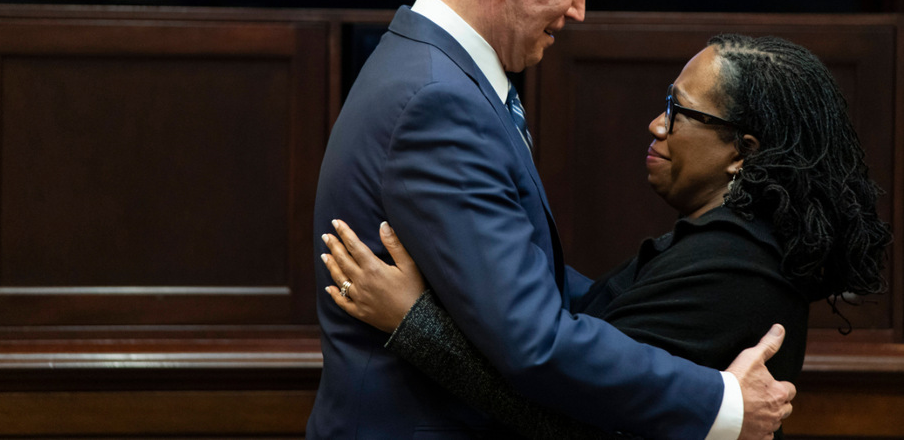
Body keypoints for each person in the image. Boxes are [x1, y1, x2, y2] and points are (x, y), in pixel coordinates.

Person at [307, 0, 795, 439]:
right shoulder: (438, 101)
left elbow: (517, 277)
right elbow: (533, 343)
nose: (580, 9)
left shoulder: (431, 70)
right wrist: (724, 405)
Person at [320, 34, 892, 438]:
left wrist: (413, 320)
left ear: (742, 154)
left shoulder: (736, 267)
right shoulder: (726, 241)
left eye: (679, 110)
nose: (657, 124)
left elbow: (572, 423)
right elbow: (590, 313)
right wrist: (461, 266)